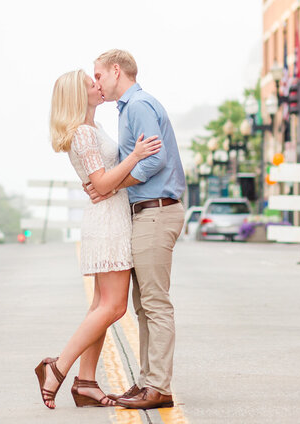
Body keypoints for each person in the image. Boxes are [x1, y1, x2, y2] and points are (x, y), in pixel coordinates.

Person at [34, 69, 162, 410]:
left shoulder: (92, 129)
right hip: (108, 223)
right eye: (91, 83)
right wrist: (135, 156)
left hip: (109, 217)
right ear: (79, 95)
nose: (97, 85)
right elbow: (103, 184)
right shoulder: (83, 135)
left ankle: (86, 383)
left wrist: (107, 179)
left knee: (100, 307)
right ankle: (57, 368)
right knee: (113, 306)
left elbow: (101, 181)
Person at [87, 49, 186, 411]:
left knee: (155, 304)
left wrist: (112, 186)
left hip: (157, 211)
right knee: (143, 305)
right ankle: (148, 382)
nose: (96, 82)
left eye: (98, 75)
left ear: (116, 71)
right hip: (146, 212)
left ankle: (158, 386)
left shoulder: (139, 105)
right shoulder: (129, 109)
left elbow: (155, 159)